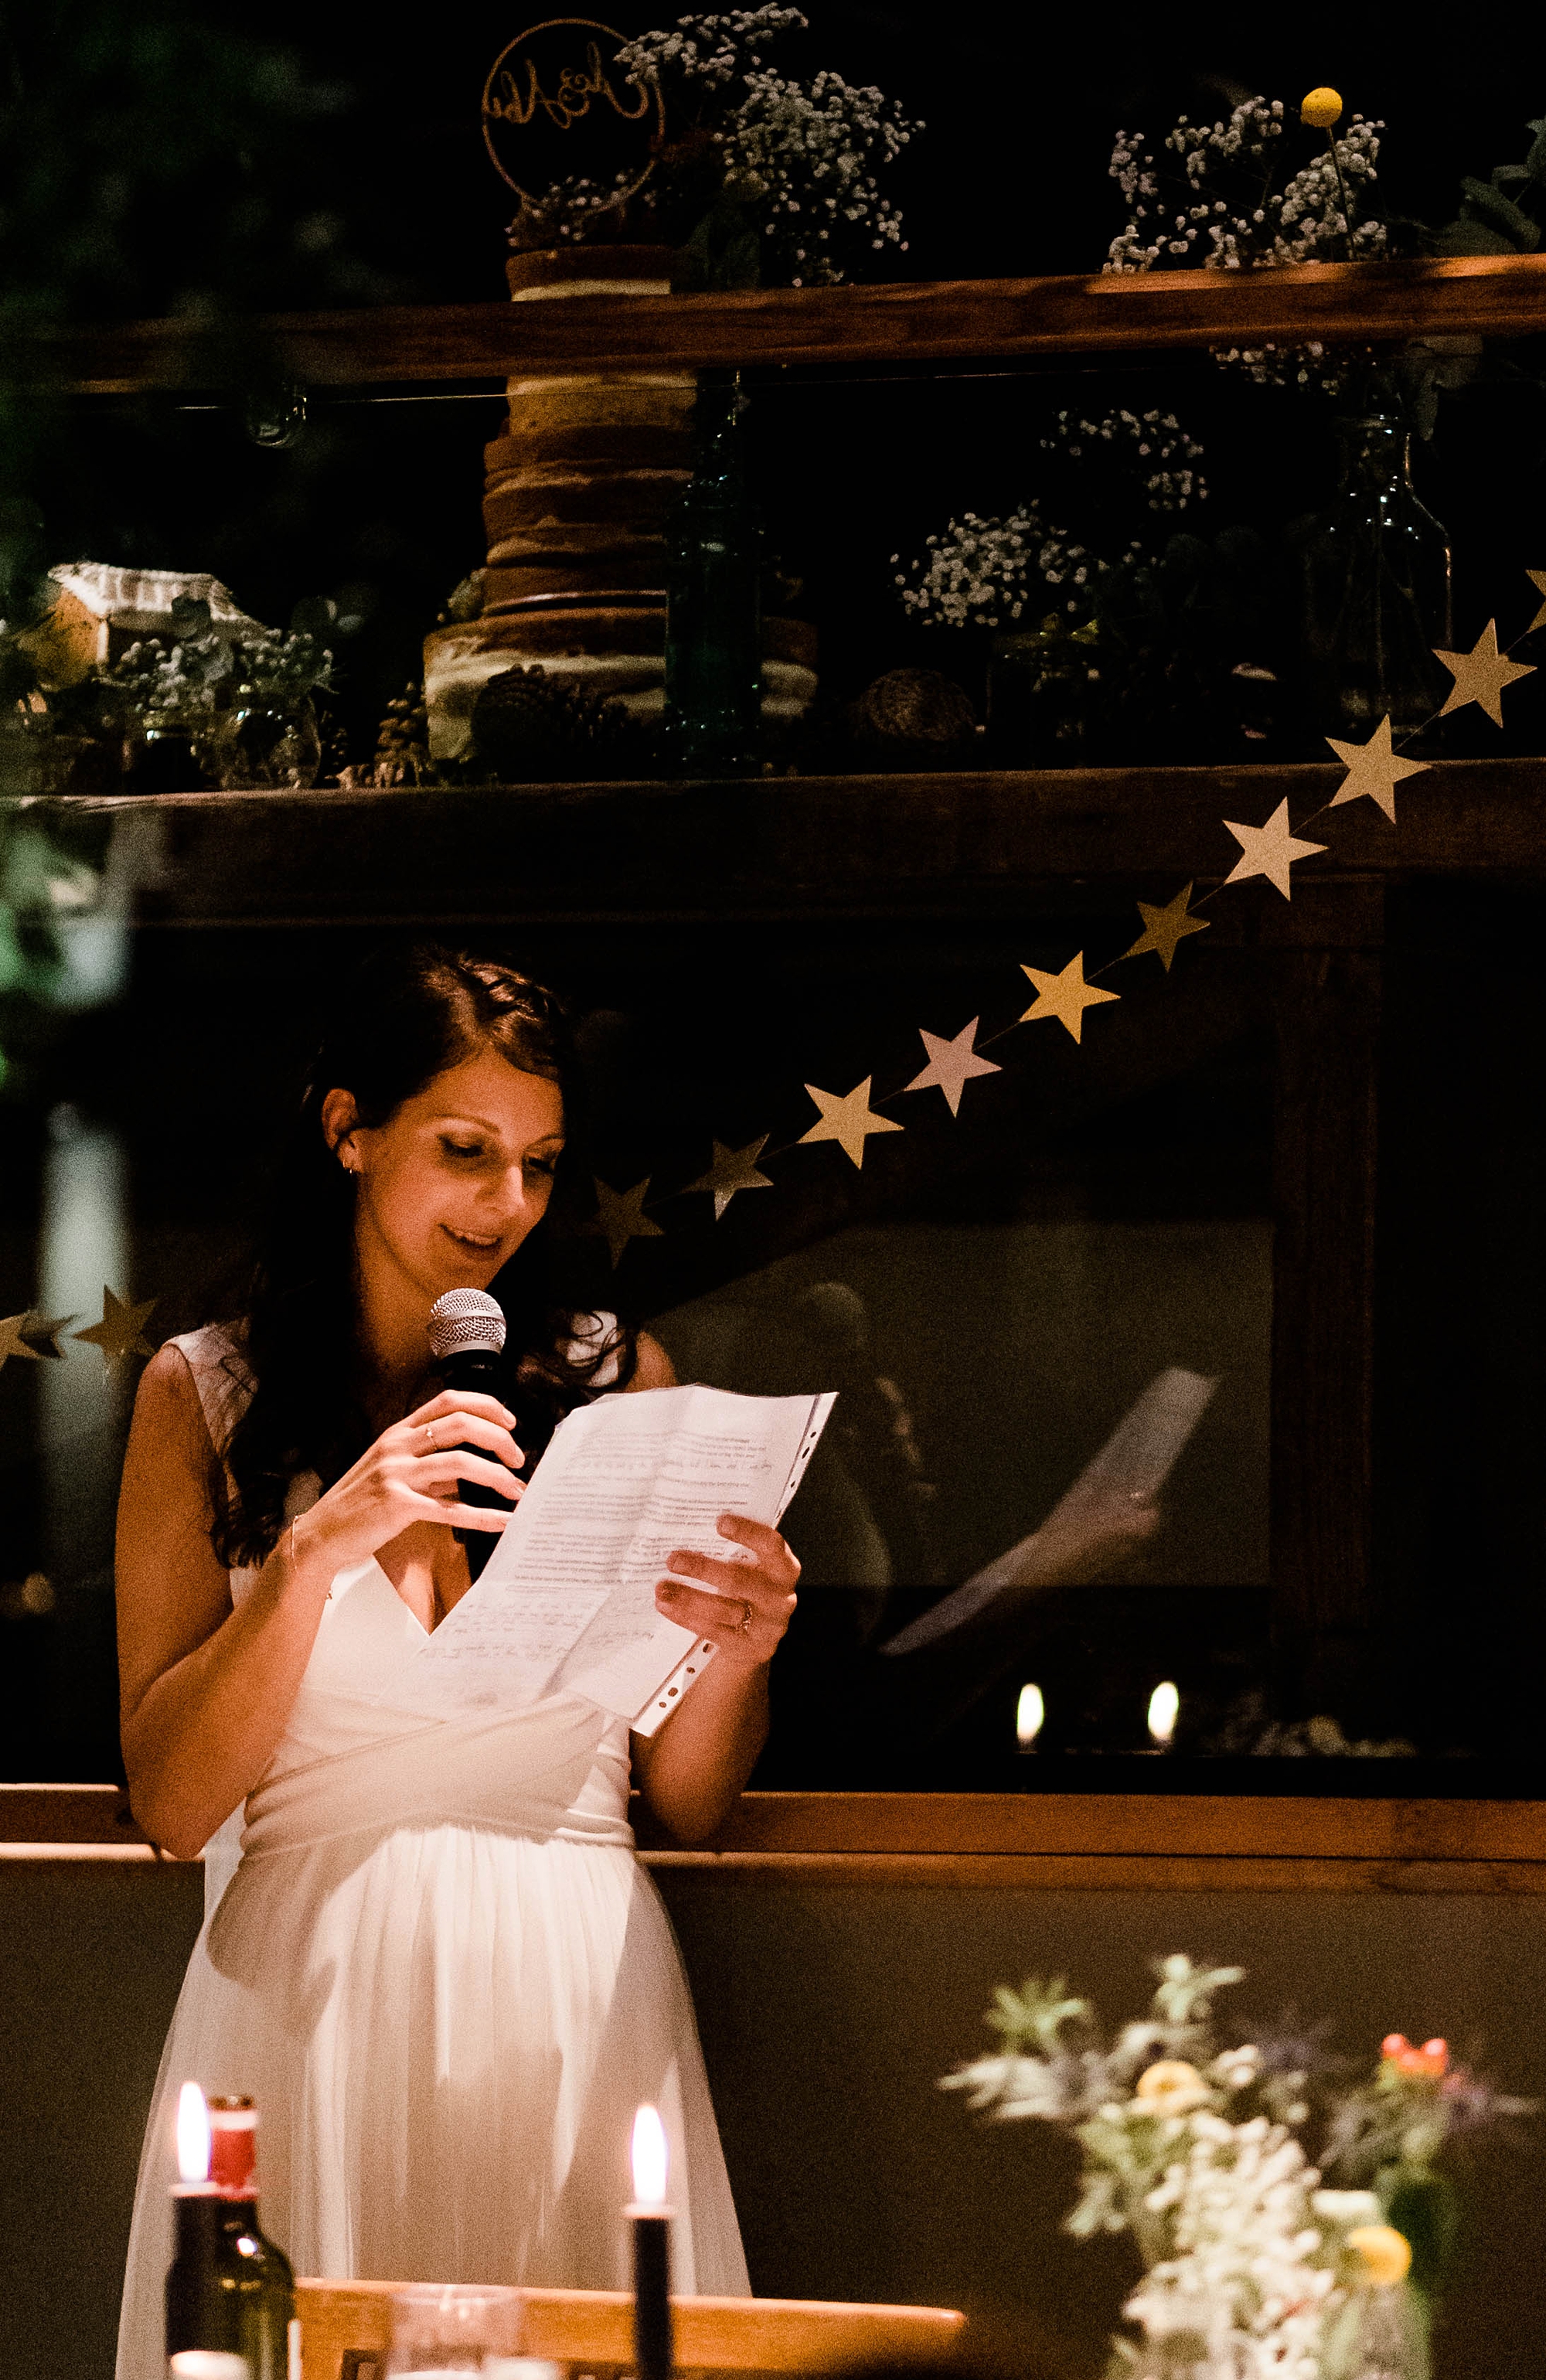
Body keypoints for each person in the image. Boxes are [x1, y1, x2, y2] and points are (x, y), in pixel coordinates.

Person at [114, 945, 799, 2380]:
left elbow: (688, 1801)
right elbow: (175, 1808)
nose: (506, 1206)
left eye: (541, 1166)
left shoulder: (617, 1382)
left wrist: (738, 1653)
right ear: (349, 1129)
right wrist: (313, 1554)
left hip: (577, 1981)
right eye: (466, 1152)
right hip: (313, 1997)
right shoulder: (204, 1391)